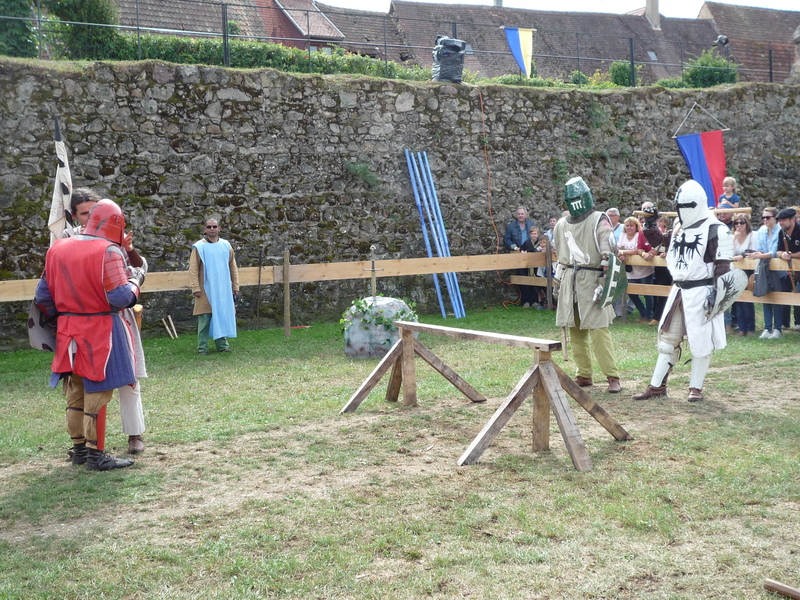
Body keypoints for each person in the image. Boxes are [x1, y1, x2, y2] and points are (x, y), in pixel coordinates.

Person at [34, 200, 142, 470]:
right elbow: (120, 298)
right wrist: (136, 281)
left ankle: (79, 450)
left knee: (75, 391)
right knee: (99, 390)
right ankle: (96, 455)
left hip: (68, 329)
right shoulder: (108, 250)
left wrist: (64, 316)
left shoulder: (57, 248)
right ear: (116, 224)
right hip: (101, 328)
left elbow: (42, 296)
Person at [633, 180, 734, 403]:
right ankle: (657, 387)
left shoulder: (717, 230)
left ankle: (696, 388)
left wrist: (718, 296)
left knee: (701, 341)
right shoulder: (680, 226)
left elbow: (724, 267)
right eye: (681, 206)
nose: (683, 211)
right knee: (667, 341)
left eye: (686, 206)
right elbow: (661, 243)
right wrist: (651, 222)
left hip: (703, 292)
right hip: (679, 290)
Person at [67, 188, 147, 455]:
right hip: (82, 321)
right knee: (82, 383)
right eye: (85, 213)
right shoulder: (68, 240)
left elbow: (138, 268)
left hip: (116, 316)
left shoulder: (113, 236)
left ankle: (135, 433)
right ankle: (85, 444)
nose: (91, 217)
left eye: (94, 211)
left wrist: (128, 248)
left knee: (129, 378)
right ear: (74, 216)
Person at [553, 176, 621, 393]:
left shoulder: (599, 220)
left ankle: (612, 376)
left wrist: (604, 282)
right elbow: (560, 258)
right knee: (575, 330)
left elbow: (609, 254)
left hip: (592, 281)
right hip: (569, 281)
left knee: (599, 330)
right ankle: (583, 374)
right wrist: (557, 282)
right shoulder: (561, 224)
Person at [189, 218, 240, 353]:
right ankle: (202, 348)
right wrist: (195, 288)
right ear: (205, 229)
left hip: (223, 289)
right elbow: (193, 269)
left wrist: (235, 286)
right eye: (209, 227)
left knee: (221, 316)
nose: (212, 229)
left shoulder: (226, 245)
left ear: (219, 228)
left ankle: (222, 346)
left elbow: (232, 266)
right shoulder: (199, 247)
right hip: (205, 289)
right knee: (205, 319)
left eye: (214, 226)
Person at [746, 207, 783, 339]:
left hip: (778, 269)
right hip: (764, 267)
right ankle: (767, 328)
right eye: (763, 217)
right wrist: (758, 253)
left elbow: (775, 252)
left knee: (777, 299)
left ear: (775, 218)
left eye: (768, 217)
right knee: (765, 296)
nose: (765, 220)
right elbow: (761, 248)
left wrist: (759, 255)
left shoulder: (780, 231)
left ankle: (777, 329)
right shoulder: (761, 230)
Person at [616, 216, 655, 324]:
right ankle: (643, 312)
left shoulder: (639, 235)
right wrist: (620, 255)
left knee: (647, 292)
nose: (629, 228)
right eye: (627, 226)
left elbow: (637, 250)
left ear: (636, 226)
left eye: (631, 225)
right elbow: (619, 248)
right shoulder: (623, 235)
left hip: (644, 268)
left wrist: (623, 253)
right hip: (631, 270)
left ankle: (648, 315)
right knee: (632, 292)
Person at [504, 207, 537, 307]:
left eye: (522, 214)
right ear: (516, 215)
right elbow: (507, 239)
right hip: (518, 255)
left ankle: (534, 300)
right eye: (518, 214)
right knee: (522, 277)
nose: (520, 216)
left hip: (531, 254)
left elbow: (537, 236)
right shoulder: (511, 226)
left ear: (525, 215)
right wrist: (514, 247)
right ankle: (526, 301)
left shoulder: (531, 224)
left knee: (533, 276)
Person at [731, 213, 758, 336]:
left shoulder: (753, 235)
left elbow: (753, 250)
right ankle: (742, 328)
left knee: (747, 300)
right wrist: (733, 238)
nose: (739, 225)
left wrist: (741, 256)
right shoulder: (733, 237)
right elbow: (728, 252)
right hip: (735, 270)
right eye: (736, 223)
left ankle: (750, 328)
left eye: (742, 222)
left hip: (749, 270)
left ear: (747, 224)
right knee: (738, 299)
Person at [520, 226, 546, 309]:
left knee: (537, 284)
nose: (533, 235)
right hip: (529, 266)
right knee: (528, 282)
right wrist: (522, 251)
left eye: (535, 234)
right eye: (532, 234)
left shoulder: (540, 243)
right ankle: (527, 301)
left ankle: (535, 301)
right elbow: (522, 248)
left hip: (538, 266)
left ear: (538, 234)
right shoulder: (527, 242)